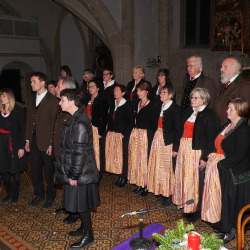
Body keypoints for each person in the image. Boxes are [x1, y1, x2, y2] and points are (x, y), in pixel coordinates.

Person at [55, 89, 99, 249]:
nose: (60, 103)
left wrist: (73, 175)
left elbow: (79, 151)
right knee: (82, 203)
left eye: (62, 100)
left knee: (82, 203)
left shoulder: (80, 121)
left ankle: (88, 236)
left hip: (79, 171)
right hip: (79, 169)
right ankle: (84, 228)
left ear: (72, 102)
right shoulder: (76, 118)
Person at [202, 97, 250, 244]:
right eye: (227, 108)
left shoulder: (243, 130)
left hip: (235, 173)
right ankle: (224, 228)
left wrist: (221, 165)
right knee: (224, 201)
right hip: (225, 170)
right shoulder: (229, 125)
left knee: (232, 202)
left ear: (240, 111)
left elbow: (240, 154)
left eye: (231, 109)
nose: (227, 111)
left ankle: (232, 231)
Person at [173, 87, 220, 222]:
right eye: (191, 97)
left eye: (195, 98)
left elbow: (212, 139)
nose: (192, 100)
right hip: (184, 149)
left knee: (194, 181)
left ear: (204, 100)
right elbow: (179, 130)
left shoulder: (210, 115)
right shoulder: (189, 112)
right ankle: (187, 205)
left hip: (197, 152)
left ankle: (196, 209)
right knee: (185, 178)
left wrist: (205, 158)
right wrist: (177, 147)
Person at [25, 72, 59, 209]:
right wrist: (27, 140)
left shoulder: (53, 100)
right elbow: (29, 120)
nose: (31, 84)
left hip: (46, 141)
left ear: (42, 82)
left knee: (49, 170)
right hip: (33, 140)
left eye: (34, 81)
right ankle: (39, 194)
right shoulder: (31, 98)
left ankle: (50, 195)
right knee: (35, 169)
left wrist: (51, 143)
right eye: (31, 82)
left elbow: (54, 124)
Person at [147, 85, 182, 206]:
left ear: (171, 95)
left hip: (168, 142)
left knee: (167, 169)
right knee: (159, 167)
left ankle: (169, 195)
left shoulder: (176, 109)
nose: (161, 94)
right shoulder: (160, 107)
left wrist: (176, 148)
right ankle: (163, 192)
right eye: (161, 92)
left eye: (164, 92)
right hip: (158, 139)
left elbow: (178, 130)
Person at [53, 76, 79, 225]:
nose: (56, 88)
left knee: (72, 184)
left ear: (67, 90)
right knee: (64, 181)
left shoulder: (72, 109)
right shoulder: (61, 106)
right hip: (61, 151)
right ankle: (68, 206)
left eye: (58, 86)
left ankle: (74, 212)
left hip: (70, 154)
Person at [127, 81, 155, 197]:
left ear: (147, 92)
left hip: (145, 135)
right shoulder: (137, 104)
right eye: (137, 90)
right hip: (136, 134)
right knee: (137, 160)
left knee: (145, 161)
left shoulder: (152, 106)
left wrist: (150, 138)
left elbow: (153, 125)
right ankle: (139, 183)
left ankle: (146, 186)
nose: (138, 93)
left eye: (140, 91)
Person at [0, 88, 26, 204]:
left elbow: (23, 130)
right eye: (1, 96)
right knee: (3, 170)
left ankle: (15, 194)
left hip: (14, 143)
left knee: (15, 170)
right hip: (1, 143)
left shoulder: (18, 110)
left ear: (10, 97)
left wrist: (21, 147)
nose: (1, 98)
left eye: (4, 96)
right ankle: (10, 192)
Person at [105, 84, 134, 188]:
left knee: (124, 156)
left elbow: (131, 121)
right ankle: (120, 176)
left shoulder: (127, 104)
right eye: (114, 91)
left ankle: (124, 177)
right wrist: (109, 130)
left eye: (117, 91)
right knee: (118, 157)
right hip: (114, 134)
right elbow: (110, 118)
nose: (115, 92)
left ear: (123, 93)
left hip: (123, 135)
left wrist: (124, 133)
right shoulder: (113, 104)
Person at [213, 57, 250, 125]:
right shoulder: (222, 83)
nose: (221, 69)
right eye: (222, 66)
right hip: (216, 124)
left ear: (234, 70)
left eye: (225, 66)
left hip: (231, 127)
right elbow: (216, 102)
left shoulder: (244, 86)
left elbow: (243, 112)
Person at [83, 79, 109, 173]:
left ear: (98, 88)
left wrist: (100, 132)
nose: (91, 88)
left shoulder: (102, 100)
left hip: (96, 129)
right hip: (86, 128)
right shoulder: (86, 99)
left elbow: (104, 117)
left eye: (93, 86)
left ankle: (98, 171)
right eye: (89, 86)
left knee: (97, 151)